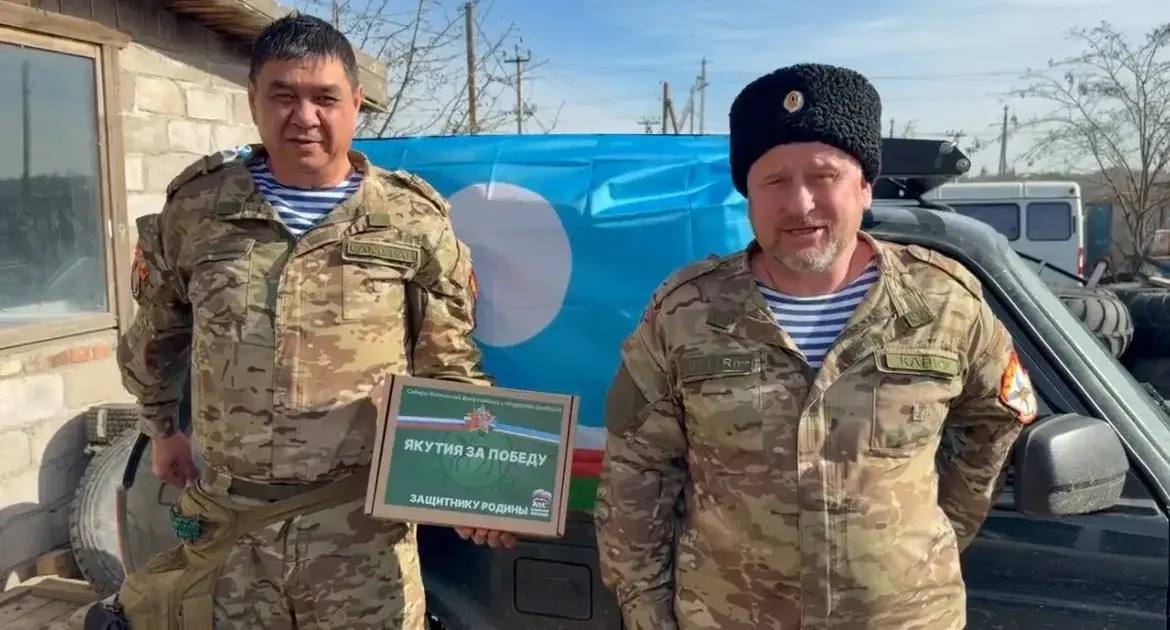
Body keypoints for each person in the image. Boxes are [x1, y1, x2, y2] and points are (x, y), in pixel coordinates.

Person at [594, 62, 1039, 630]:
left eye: (824, 175)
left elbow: (993, 424)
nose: (800, 204)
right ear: (748, 197)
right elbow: (636, 468)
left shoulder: (945, 303)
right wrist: (647, 612)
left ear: (865, 186)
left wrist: (918, 544)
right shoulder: (685, 312)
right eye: (774, 181)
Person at [117, 13, 512, 630]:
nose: (304, 117)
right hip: (232, 529)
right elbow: (157, 334)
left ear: (356, 104)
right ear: (253, 100)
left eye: (325, 98)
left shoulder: (410, 218)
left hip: (362, 531)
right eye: (283, 96)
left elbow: (448, 364)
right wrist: (161, 427)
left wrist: (471, 486)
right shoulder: (196, 210)